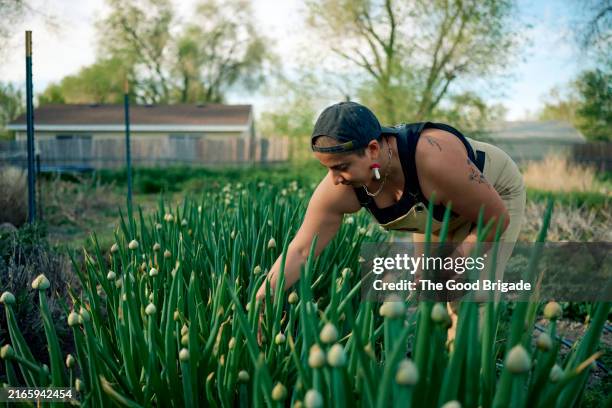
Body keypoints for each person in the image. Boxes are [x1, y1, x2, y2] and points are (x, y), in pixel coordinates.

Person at [255, 101, 526, 341]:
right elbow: (302, 250)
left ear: (373, 149)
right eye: (328, 168)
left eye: (341, 166)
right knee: (430, 290)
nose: (335, 179)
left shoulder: (434, 160)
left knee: (468, 294)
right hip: (436, 211)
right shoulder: (340, 188)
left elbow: (495, 218)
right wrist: (264, 295)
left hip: (493, 198)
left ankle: (473, 379)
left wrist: (458, 258)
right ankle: (437, 365)